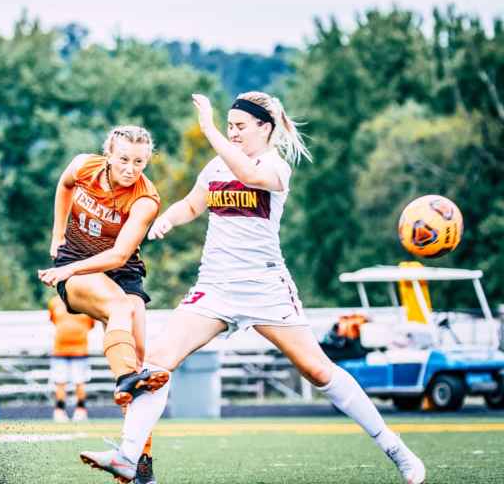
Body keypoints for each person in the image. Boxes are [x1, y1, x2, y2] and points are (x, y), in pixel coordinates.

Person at [79, 92, 426, 484]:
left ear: (266, 128)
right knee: (157, 362)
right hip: (215, 287)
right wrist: (168, 221)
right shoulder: (215, 167)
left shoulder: (276, 168)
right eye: (229, 126)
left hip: (265, 287)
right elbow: (193, 204)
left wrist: (209, 129)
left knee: (318, 371)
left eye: (240, 126)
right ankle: (128, 457)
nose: (233, 132)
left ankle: (398, 451)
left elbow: (249, 176)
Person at [38, 126, 166, 483]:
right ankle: (126, 379)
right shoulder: (83, 166)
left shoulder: (145, 199)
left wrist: (67, 267)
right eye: (123, 159)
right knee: (121, 310)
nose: (130, 168)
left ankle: (140, 468)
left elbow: (120, 254)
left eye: (139, 162)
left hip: (121, 271)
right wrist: (58, 235)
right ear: (109, 154)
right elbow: (64, 186)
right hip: (78, 266)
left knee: (144, 362)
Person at [48, 295, 95, 422]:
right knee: (60, 382)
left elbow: (91, 324)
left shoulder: (87, 301)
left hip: (80, 350)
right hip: (60, 350)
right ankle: (59, 410)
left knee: (80, 382)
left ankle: (80, 410)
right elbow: (54, 320)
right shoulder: (55, 302)